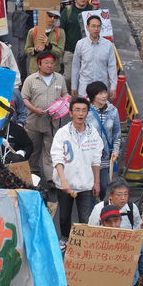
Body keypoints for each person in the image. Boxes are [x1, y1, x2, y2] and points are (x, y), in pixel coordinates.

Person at [50, 96, 103, 247]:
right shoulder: (62, 133)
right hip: (65, 184)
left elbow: (96, 160)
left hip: (86, 184)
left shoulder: (93, 134)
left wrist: (97, 182)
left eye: (84, 110)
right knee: (64, 217)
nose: (80, 114)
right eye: (77, 110)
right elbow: (57, 157)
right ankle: (65, 240)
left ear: (87, 113)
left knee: (86, 218)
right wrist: (63, 180)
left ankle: (83, 245)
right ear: (70, 113)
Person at [21, 51, 68, 185]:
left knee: (51, 150)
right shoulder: (31, 79)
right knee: (33, 149)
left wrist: (65, 100)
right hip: (34, 121)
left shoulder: (60, 78)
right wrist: (34, 109)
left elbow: (65, 95)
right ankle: (33, 174)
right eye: (46, 63)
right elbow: (24, 98)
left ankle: (51, 178)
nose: (50, 65)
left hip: (53, 122)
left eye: (52, 63)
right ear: (39, 64)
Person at [86, 80, 121, 197]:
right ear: (92, 96)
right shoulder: (86, 111)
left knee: (104, 186)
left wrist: (115, 151)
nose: (104, 96)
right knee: (90, 186)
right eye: (100, 93)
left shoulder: (113, 111)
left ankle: (101, 204)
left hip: (105, 156)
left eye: (105, 92)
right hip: (89, 156)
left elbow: (116, 133)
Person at [71, 15, 117, 100]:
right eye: (93, 26)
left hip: (101, 86)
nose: (96, 29)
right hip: (84, 86)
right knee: (84, 107)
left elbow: (112, 67)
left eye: (98, 26)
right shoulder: (80, 44)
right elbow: (76, 66)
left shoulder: (108, 45)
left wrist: (113, 86)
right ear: (87, 27)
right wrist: (74, 86)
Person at [59, 0, 93, 89]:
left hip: (89, 51)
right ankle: (68, 96)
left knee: (87, 78)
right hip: (70, 51)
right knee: (68, 78)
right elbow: (61, 31)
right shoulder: (67, 11)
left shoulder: (93, 10)